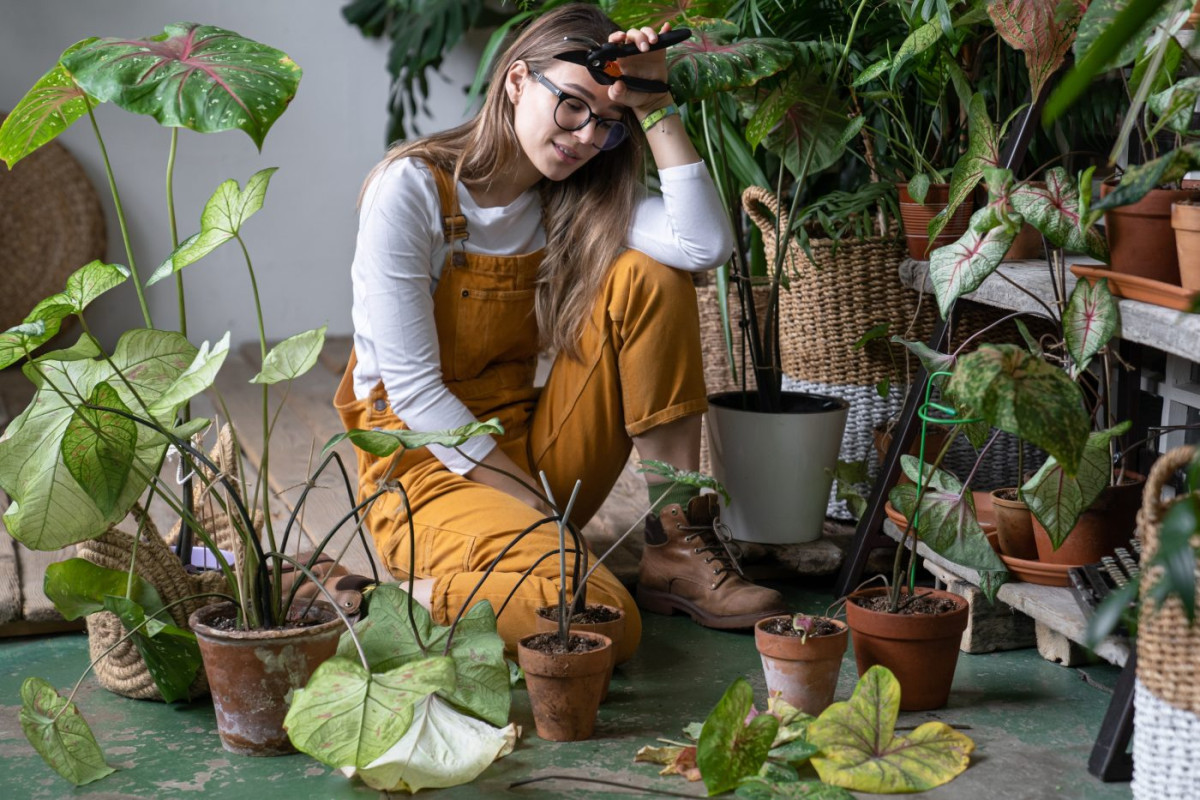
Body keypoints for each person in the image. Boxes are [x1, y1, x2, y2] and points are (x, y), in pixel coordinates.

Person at [334, 3, 785, 661]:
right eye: (573, 105)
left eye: (606, 124)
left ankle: (677, 545)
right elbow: (414, 393)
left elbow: (704, 244)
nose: (584, 137)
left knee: (650, 278)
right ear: (517, 81)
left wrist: (654, 103)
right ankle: (370, 600)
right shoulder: (413, 188)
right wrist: (543, 515)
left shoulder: (573, 199)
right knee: (600, 619)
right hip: (423, 471)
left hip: (529, 452)